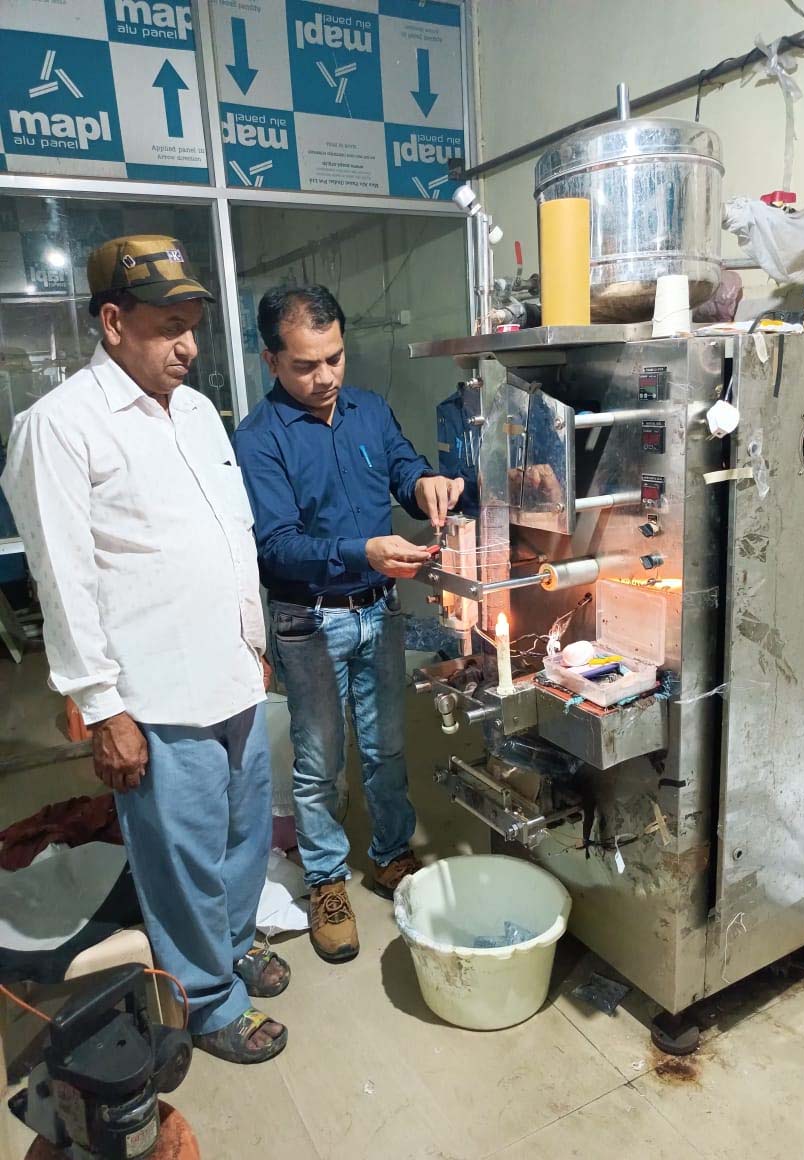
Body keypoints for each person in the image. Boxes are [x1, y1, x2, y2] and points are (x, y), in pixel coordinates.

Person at [1, 236, 288, 1065]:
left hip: (232, 674)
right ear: (114, 322)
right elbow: (63, 581)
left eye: (193, 326)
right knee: (180, 861)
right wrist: (103, 709)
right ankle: (206, 998)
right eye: (170, 327)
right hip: (155, 697)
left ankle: (233, 947)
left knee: (243, 838)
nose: (189, 346)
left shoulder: (195, 413)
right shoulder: (60, 427)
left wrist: (252, 639)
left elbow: (228, 536)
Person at [234, 285, 463, 964]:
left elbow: (402, 468)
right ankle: (327, 881)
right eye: (305, 365)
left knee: (387, 745)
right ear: (272, 360)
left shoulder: (369, 409)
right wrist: (363, 551)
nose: (326, 376)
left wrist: (424, 484)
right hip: (309, 621)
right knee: (318, 763)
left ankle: (391, 855)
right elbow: (276, 546)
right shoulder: (259, 439)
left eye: (334, 357)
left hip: (378, 610)